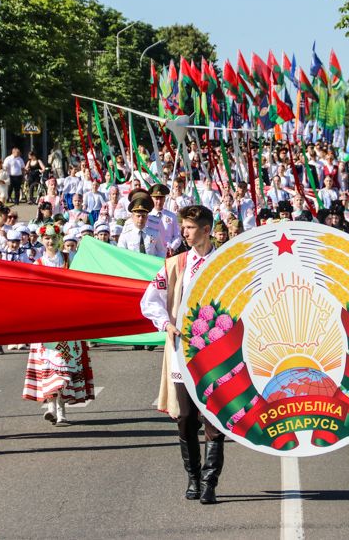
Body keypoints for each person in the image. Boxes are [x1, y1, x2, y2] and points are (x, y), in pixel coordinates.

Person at [140, 205, 224, 504]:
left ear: (206, 229)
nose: (184, 233)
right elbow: (150, 299)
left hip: (218, 353)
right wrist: (166, 323)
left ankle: (210, 481)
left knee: (214, 418)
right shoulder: (176, 264)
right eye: (183, 227)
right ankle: (193, 477)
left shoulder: (225, 262)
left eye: (189, 228)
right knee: (186, 417)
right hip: (183, 350)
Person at [22, 224, 95, 426]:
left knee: (64, 366)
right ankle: (52, 407)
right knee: (49, 366)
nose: (50, 242)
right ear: (41, 241)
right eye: (47, 238)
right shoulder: (37, 263)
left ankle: (61, 410)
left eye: (54, 238)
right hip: (47, 322)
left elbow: (82, 281)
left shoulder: (69, 259)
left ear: (59, 239)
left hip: (68, 320)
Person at [118, 192, 167, 258]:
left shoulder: (155, 234)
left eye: (143, 216)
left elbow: (161, 252)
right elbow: (121, 254)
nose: (141, 219)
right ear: (132, 217)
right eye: (138, 216)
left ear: (147, 217)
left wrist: (159, 262)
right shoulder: (125, 235)